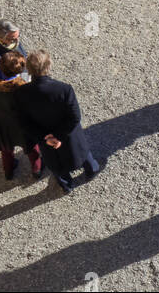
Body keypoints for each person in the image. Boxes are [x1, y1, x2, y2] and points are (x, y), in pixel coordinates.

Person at [16, 51, 100, 195]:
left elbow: (24, 122)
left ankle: (67, 185)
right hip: (69, 136)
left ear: (28, 69)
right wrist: (59, 136)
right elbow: (74, 117)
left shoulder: (21, 93)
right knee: (83, 154)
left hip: (45, 140)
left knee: (56, 166)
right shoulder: (64, 89)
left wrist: (46, 138)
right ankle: (91, 171)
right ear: (48, 67)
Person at [0, 21, 41, 180]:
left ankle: (8, 171)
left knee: (6, 149)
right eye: (12, 39)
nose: (16, 42)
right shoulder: (24, 89)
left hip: (2, 123)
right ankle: (36, 169)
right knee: (31, 147)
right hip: (22, 123)